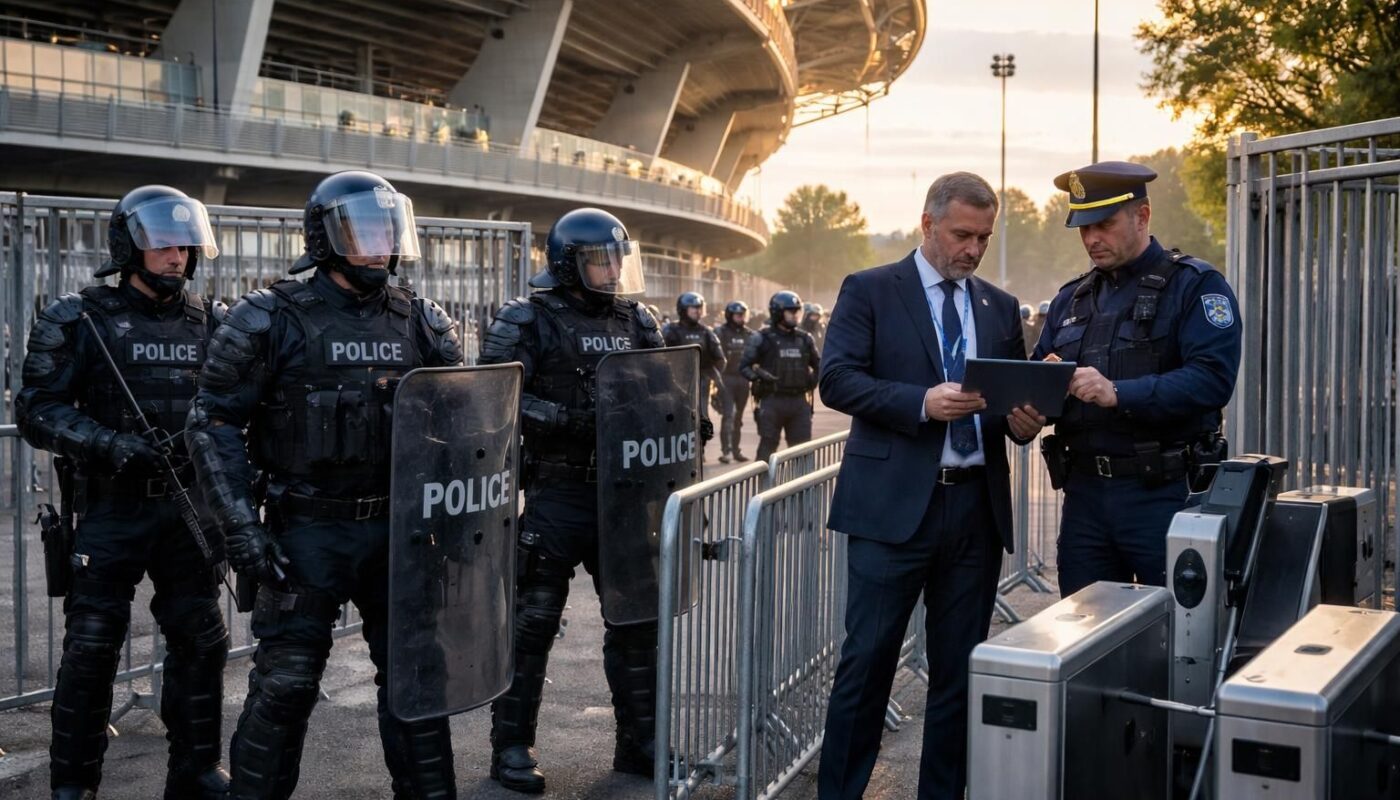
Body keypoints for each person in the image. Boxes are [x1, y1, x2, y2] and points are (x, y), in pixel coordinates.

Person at [185, 170, 465, 800]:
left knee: (418, 682)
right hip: (307, 530)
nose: (379, 246)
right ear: (327, 236)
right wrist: (241, 530)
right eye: (364, 231)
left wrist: (456, 524)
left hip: (400, 531)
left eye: (387, 231)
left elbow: (465, 422)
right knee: (285, 684)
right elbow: (211, 420)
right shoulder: (270, 316)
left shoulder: (423, 320)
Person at [817, 172, 1044, 800]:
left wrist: (1023, 422)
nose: (972, 249)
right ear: (927, 224)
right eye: (961, 234)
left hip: (974, 511)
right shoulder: (869, 290)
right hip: (892, 514)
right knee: (866, 668)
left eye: (983, 237)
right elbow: (836, 380)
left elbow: (1003, 400)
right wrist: (919, 401)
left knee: (959, 676)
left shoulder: (998, 305)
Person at [16, 185, 232, 800]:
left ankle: (194, 768)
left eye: (184, 246)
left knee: (203, 641)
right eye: (163, 244)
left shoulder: (213, 325)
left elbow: (234, 413)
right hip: (112, 506)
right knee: (91, 648)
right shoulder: (79, 319)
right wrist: (113, 445)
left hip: (187, 511)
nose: (176, 257)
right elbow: (36, 409)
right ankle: (72, 782)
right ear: (130, 247)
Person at [479, 207, 669, 794]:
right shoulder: (526, 319)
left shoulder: (638, 319)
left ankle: (640, 745)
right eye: (597, 259)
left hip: (623, 495)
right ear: (566, 263)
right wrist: (562, 419)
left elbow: (664, 388)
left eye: (616, 258)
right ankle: (511, 747)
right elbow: (491, 397)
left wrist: (678, 420)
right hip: (558, 491)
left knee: (636, 623)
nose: (611, 270)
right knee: (532, 623)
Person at [1033, 161, 1240, 597]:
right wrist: (1025, 408)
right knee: (1083, 636)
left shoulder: (1196, 286)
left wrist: (1118, 393)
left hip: (1163, 495)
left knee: (1174, 635)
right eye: (1083, 228)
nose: (1091, 239)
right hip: (1085, 498)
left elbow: (1212, 380)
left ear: (1142, 216)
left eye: (1104, 225)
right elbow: (1036, 380)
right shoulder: (1070, 298)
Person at [739, 291, 820, 462]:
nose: (795, 315)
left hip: (799, 402)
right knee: (767, 448)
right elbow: (744, 366)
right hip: (772, 401)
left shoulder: (805, 339)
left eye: (797, 311)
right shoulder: (761, 337)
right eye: (790, 311)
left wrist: (811, 382)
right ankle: (763, 488)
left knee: (802, 451)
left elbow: (820, 365)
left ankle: (802, 489)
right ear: (777, 312)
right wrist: (758, 378)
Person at [662, 292, 725, 460]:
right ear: (683, 309)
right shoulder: (670, 330)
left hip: (700, 384)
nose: (698, 312)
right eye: (693, 308)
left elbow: (720, 359)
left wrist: (711, 375)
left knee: (701, 418)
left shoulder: (706, 332)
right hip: (673, 383)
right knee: (672, 419)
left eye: (699, 308)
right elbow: (659, 356)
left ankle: (699, 451)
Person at [714, 301, 756, 463]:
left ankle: (736, 451)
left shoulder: (750, 334)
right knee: (728, 415)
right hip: (726, 379)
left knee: (738, 417)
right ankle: (726, 451)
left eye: (743, 315)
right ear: (730, 316)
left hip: (743, 380)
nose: (741, 318)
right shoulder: (720, 332)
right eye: (738, 315)